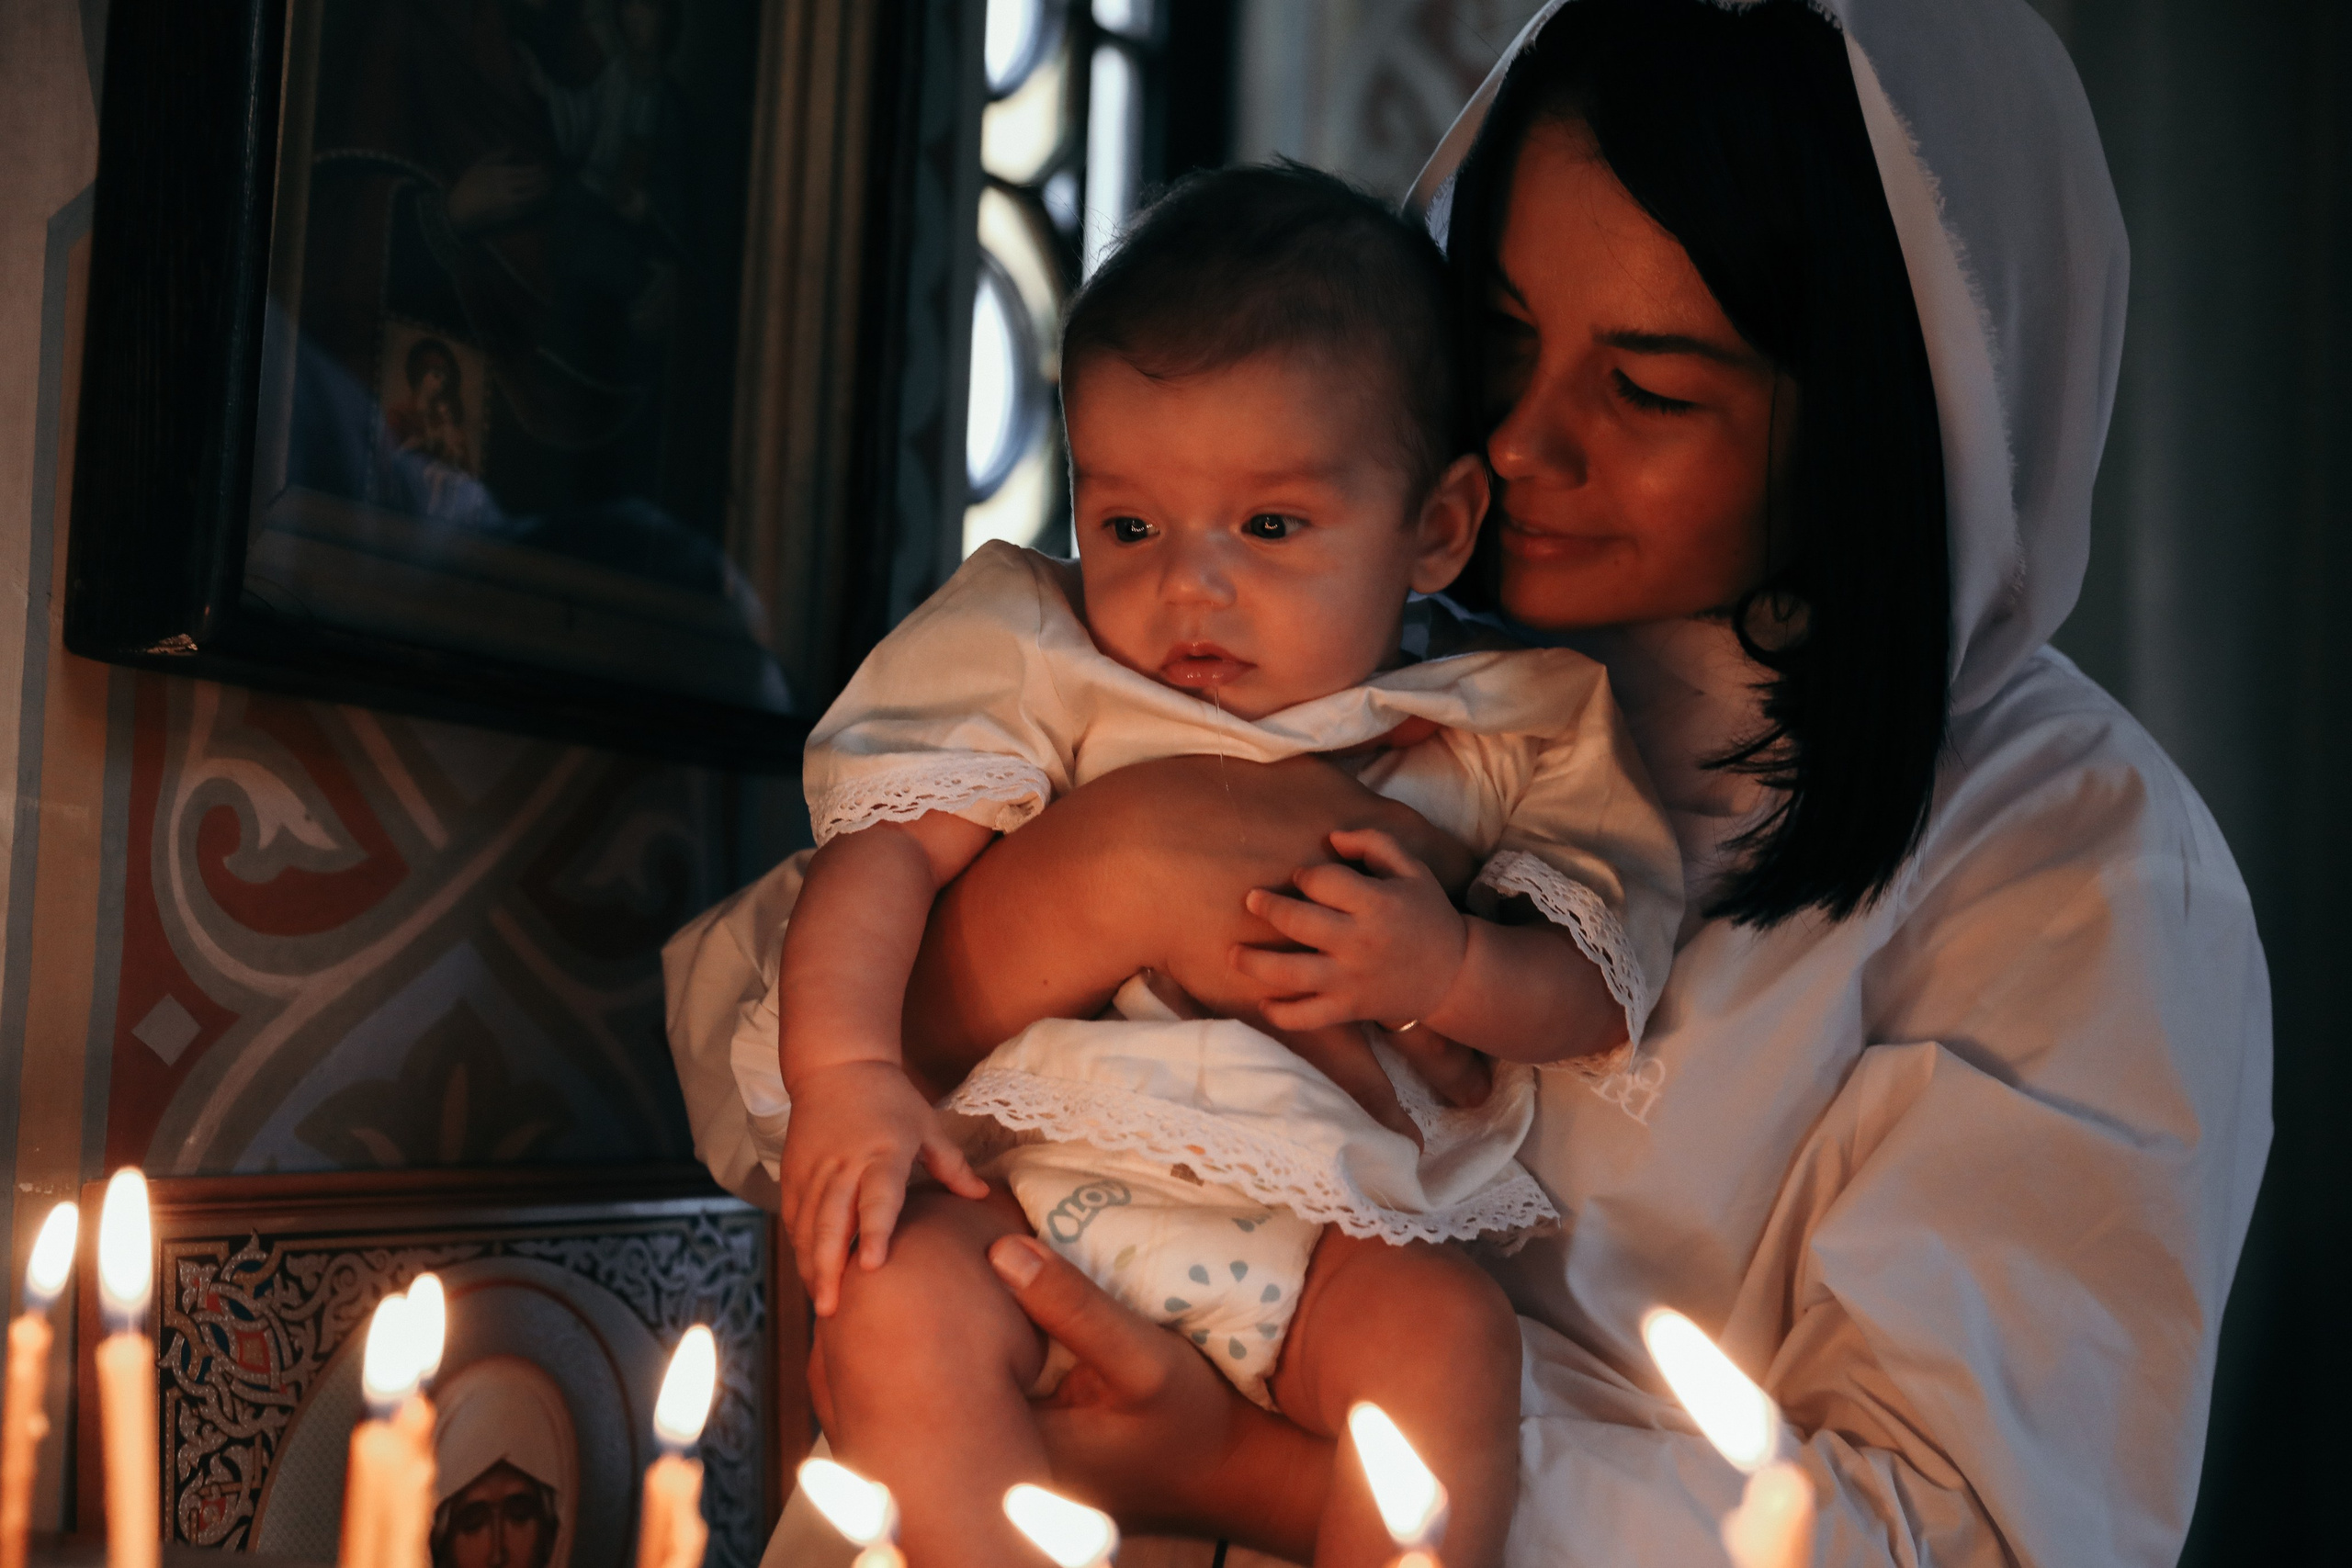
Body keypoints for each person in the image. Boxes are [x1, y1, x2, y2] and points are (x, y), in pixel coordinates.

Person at [668, 0, 2270, 1562]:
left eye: (1646, 389)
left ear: (1882, 416)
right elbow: (751, 1068)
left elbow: (1975, 1531)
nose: (1517, 446)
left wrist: (1258, 1471)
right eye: (1498, 337)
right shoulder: (1307, 637)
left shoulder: (2078, 864)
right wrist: (1115, 870)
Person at [742, 164, 1681, 1567]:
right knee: (891, 1310)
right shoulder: (1035, 655)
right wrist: (850, 1077)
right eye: (1129, 526)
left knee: (1453, 1348)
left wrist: (1453, 964)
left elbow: (1598, 993)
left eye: (1271, 527)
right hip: (1023, 1190)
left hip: (1334, 1241)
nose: (1190, 586)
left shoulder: (1508, 731)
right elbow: (874, 870)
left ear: (1434, 526)